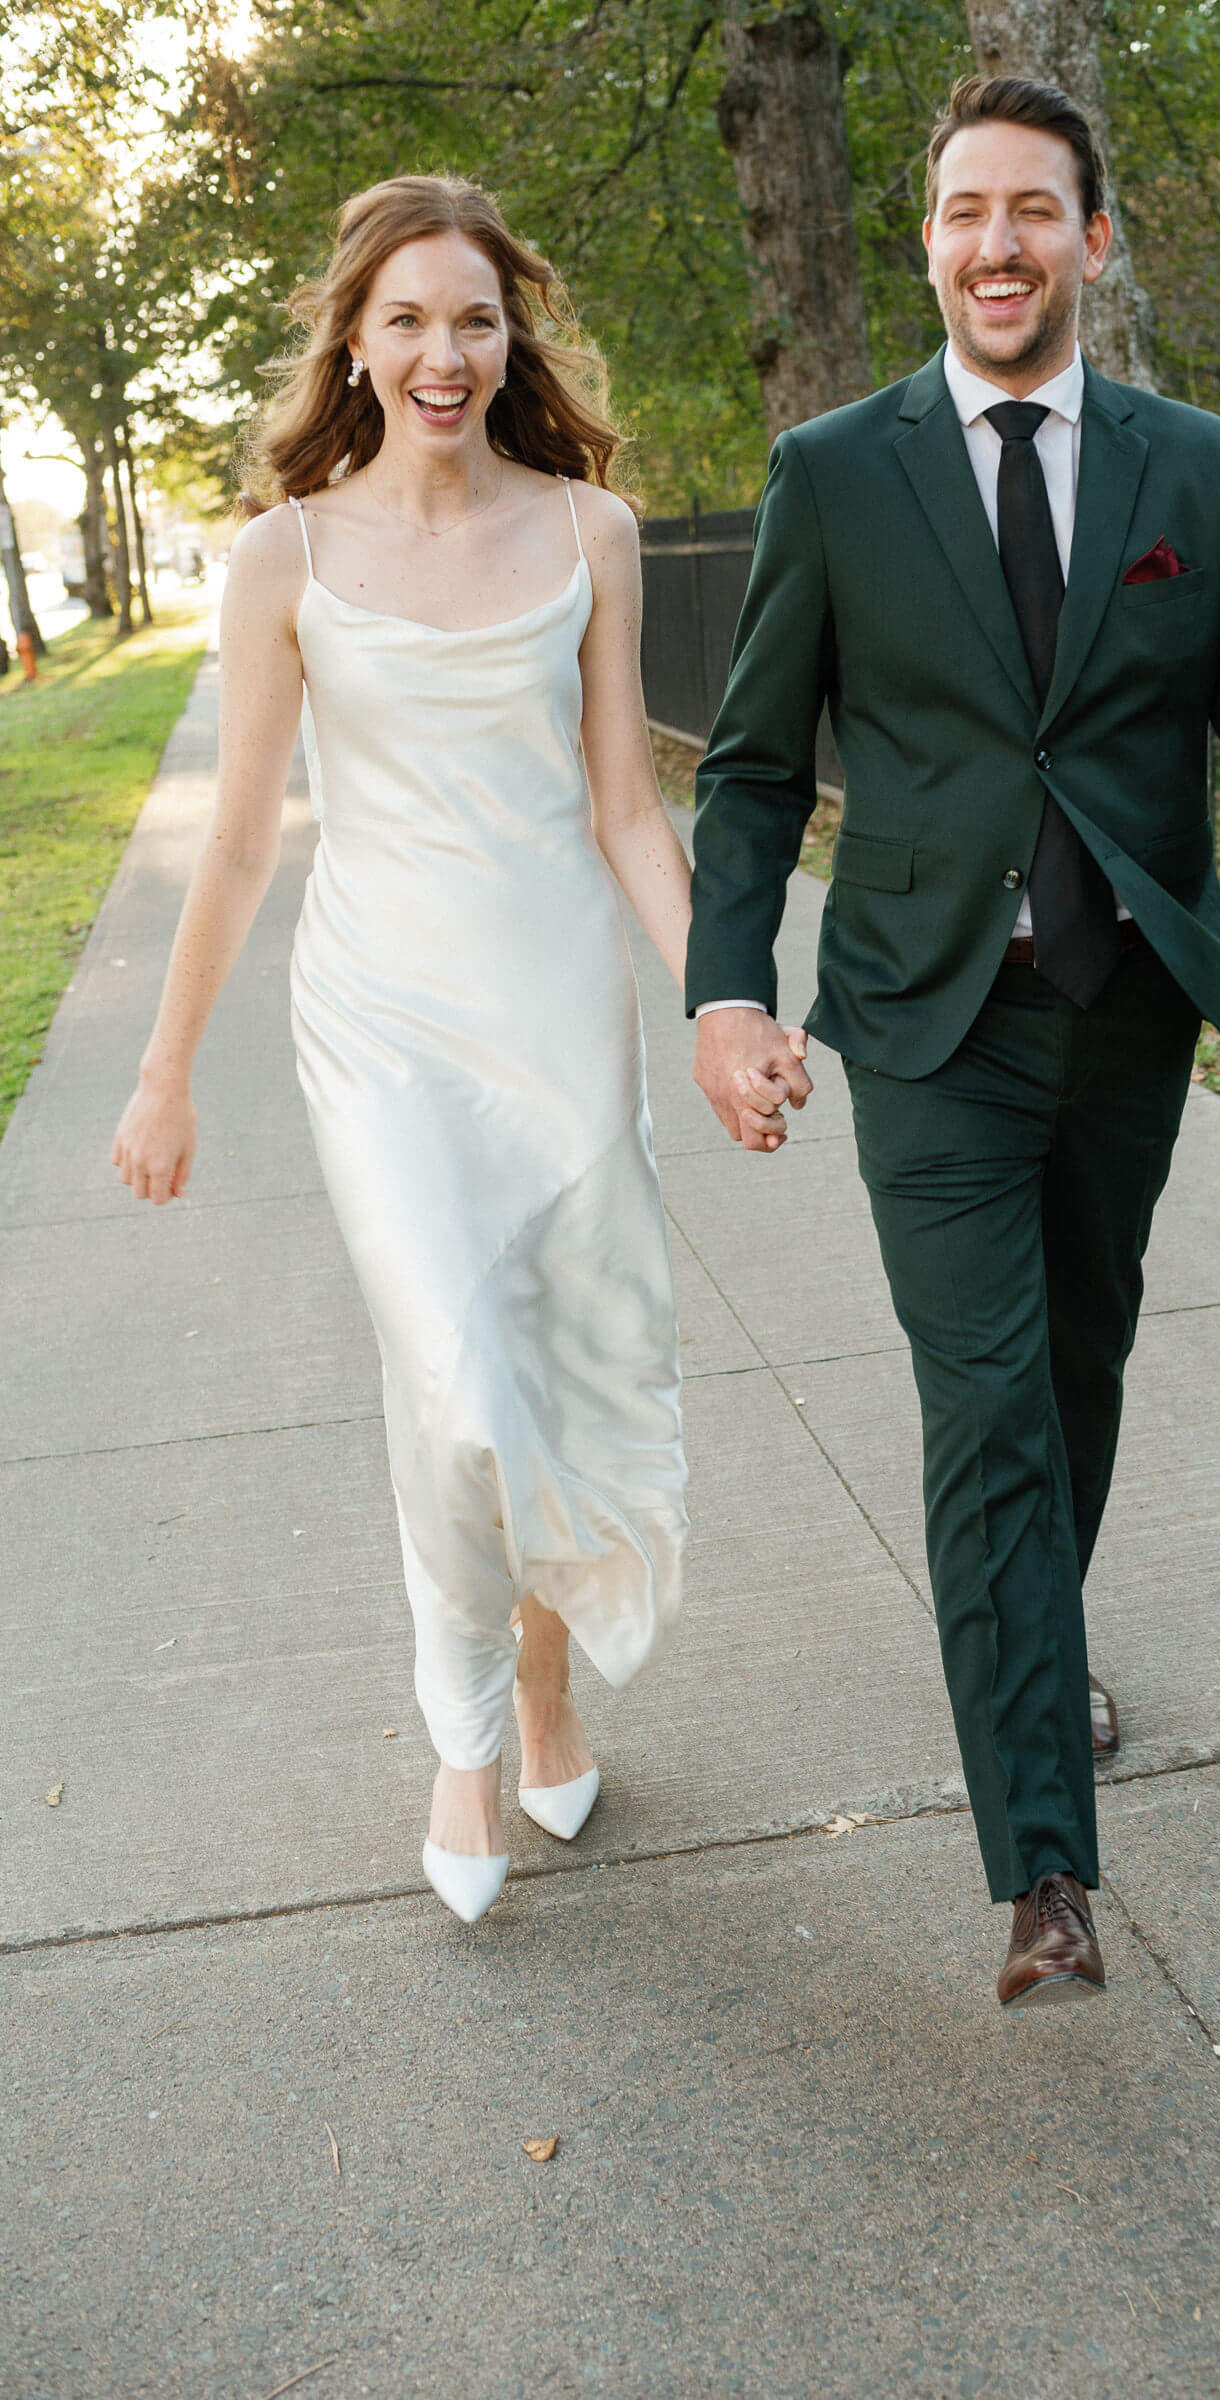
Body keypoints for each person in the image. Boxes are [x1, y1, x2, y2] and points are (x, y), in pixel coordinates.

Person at [686, 77, 1220, 2006]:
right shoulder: (835, 470)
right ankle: (1042, 1876)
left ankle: (1031, 1632)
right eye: (960, 211)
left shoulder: (1198, 469)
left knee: (1073, 1367)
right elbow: (750, 770)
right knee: (983, 1405)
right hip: (921, 1015)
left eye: (1032, 211)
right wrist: (728, 991)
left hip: (1122, 1009)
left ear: (1093, 236)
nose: (993, 244)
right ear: (926, 240)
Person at [112, 175, 786, 1923]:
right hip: (379, 1022)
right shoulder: (288, 554)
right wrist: (165, 1066)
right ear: (354, 335)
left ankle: (549, 1683)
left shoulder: (590, 532)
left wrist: (726, 1003)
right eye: (405, 317)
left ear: (511, 338)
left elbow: (629, 809)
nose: (441, 350)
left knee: (555, 1372)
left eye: (472, 318)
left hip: (557, 1006)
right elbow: (247, 837)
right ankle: (467, 1740)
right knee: (458, 1380)